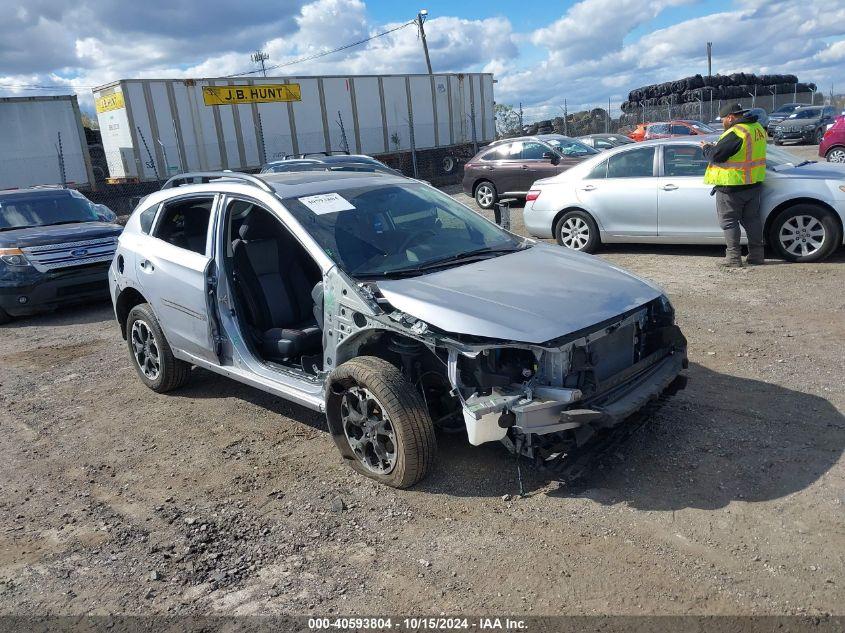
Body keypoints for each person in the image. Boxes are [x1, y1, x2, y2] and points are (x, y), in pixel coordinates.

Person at [701, 103, 767, 267]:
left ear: (730, 117)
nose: (722, 122)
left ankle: (733, 258)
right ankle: (757, 256)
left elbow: (717, 156)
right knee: (752, 221)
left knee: (729, 222)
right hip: (753, 183)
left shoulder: (737, 132)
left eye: (723, 119)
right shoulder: (757, 127)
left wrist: (706, 148)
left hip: (732, 185)